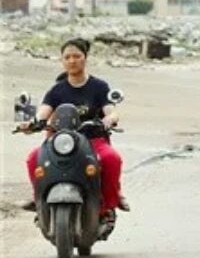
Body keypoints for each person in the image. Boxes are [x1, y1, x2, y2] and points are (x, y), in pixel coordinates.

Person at [21, 37, 127, 217]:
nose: (72, 61)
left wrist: (109, 119)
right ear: (62, 61)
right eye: (67, 57)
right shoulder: (57, 90)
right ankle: (39, 199)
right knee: (33, 158)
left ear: (85, 58)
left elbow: (111, 111)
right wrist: (33, 122)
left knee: (111, 159)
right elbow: (43, 111)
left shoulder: (99, 87)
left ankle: (109, 204)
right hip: (59, 141)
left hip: (92, 140)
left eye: (76, 56)